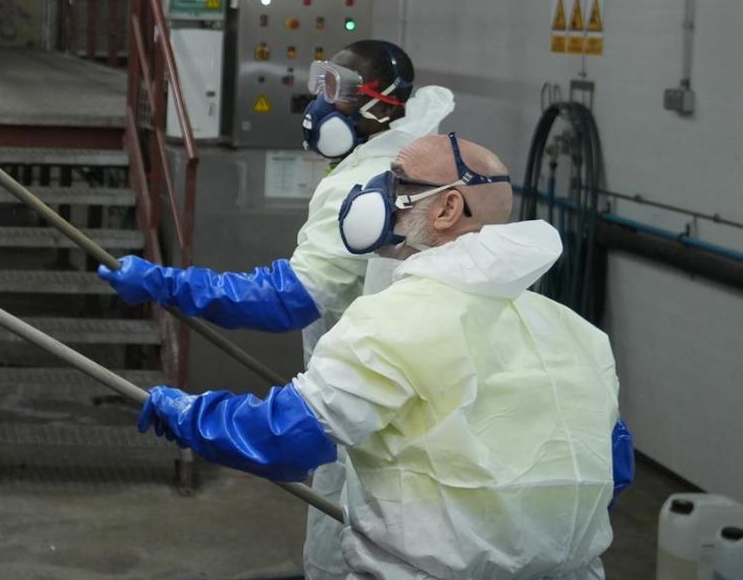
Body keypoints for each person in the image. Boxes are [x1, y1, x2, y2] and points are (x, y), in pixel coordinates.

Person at [133, 133, 634, 580]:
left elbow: (284, 438)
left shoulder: (392, 319)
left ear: (446, 209)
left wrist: (190, 415)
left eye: (397, 182)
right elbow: (612, 470)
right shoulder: (576, 331)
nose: (375, 194)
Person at [99, 39, 453, 580]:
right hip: (425, 416)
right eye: (321, 82)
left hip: (374, 417)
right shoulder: (427, 165)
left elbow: (289, 299)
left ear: (380, 108)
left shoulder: (368, 183)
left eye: (336, 89)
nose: (317, 103)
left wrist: (167, 286)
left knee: (357, 553)